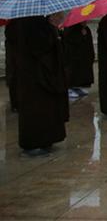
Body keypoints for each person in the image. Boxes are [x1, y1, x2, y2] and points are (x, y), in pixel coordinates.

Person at [17, 13, 68, 156]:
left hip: (45, 73)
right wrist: (52, 28)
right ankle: (35, 142)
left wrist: (54, 29)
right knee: (37, 108)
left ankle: (47, 139)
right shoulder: (28, 20)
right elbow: (39, 46)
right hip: (35, 75)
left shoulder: (39, 18)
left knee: (47, 108)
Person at [63, 21, 95, 98]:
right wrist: (81, 35)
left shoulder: (86, 29)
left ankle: (78, 87)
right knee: (72, 73)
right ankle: (70, 89)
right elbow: (69, 40)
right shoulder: (70, 29)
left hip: (84, 57)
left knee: (81, 74)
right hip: (73, 57)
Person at [4, 19, 21, 112]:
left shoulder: (10, 22)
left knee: (13, 76)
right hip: (15, 53)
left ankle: (15, 103)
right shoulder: (16, 23)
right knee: (14, 76)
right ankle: (16, 103)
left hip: (12, 52)